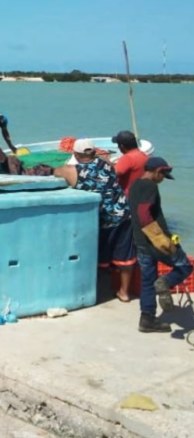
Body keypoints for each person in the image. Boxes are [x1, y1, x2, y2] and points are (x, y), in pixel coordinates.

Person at [54, 139, 135, 302]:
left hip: (101, 218)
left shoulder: (71, 171)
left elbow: (56, 171)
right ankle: (124, 293)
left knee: (98, 255)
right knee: (125, 255)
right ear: (93, 152)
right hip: (123, 213)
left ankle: (95, 292)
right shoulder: (107, 164)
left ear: (76, 154)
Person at [129, 157, 193, 333]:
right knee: (184, 267)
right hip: (155, 241)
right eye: (163, 175)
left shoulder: (135, 185)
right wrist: (160, 238)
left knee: (148, 281)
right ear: (158, 171)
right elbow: (143, 214)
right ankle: (165, 281)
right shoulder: (150, 186)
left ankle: (147, 320)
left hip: (141, 242)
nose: (163, 179)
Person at [112, 130, 148, 195]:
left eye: (118, 145)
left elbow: (114, 174)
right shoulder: (144, 155)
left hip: (127, 197)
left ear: (122, 146)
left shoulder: (127, 158)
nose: (118, 147)